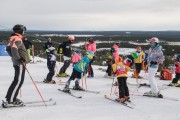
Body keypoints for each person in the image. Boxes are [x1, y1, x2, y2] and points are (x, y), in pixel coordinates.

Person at [2, 24, 28, 108]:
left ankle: (10, 97)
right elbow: (13, 49)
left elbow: (8, 49)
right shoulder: (17, 39)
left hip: (17, 62)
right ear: (21, 31)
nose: (24, 32)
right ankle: (11, 100)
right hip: (19, 63)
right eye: (23, 31)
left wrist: (14, 57)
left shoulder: (13, 38)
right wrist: (19, 59)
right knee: (18, 81)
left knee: (16, 81)